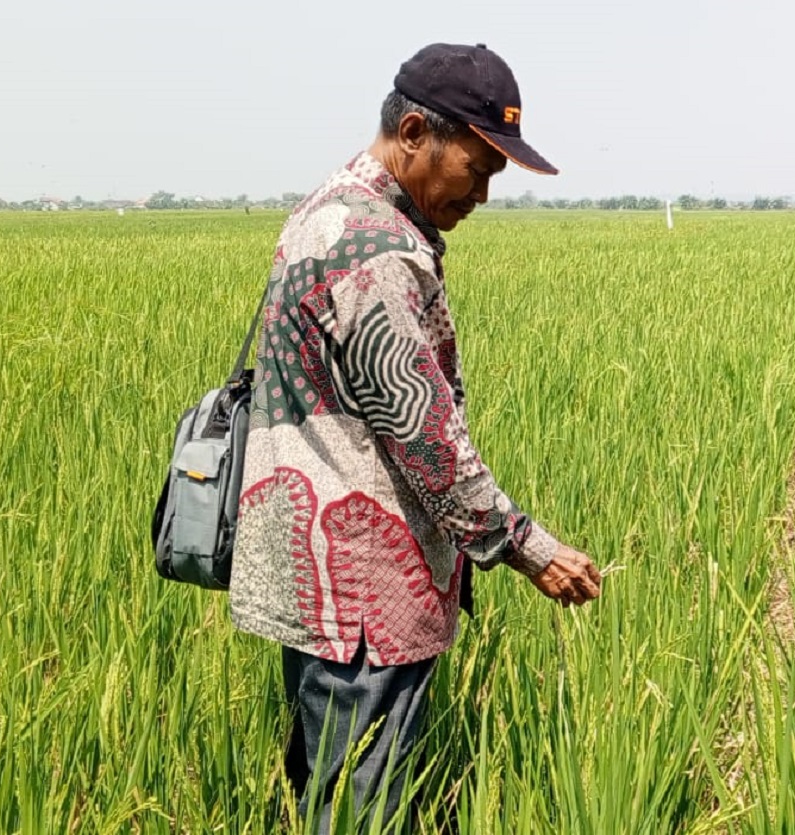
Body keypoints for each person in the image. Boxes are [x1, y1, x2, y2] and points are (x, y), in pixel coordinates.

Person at [229, 42, 602, 831]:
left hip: (319, 576)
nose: (486, 195)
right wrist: (529, 546)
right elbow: (427, 438)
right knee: (362, 806)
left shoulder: (327, 211)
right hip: (364, 592)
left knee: (330, 790)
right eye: (478, 167)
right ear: (412, 133)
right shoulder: (375, 254)